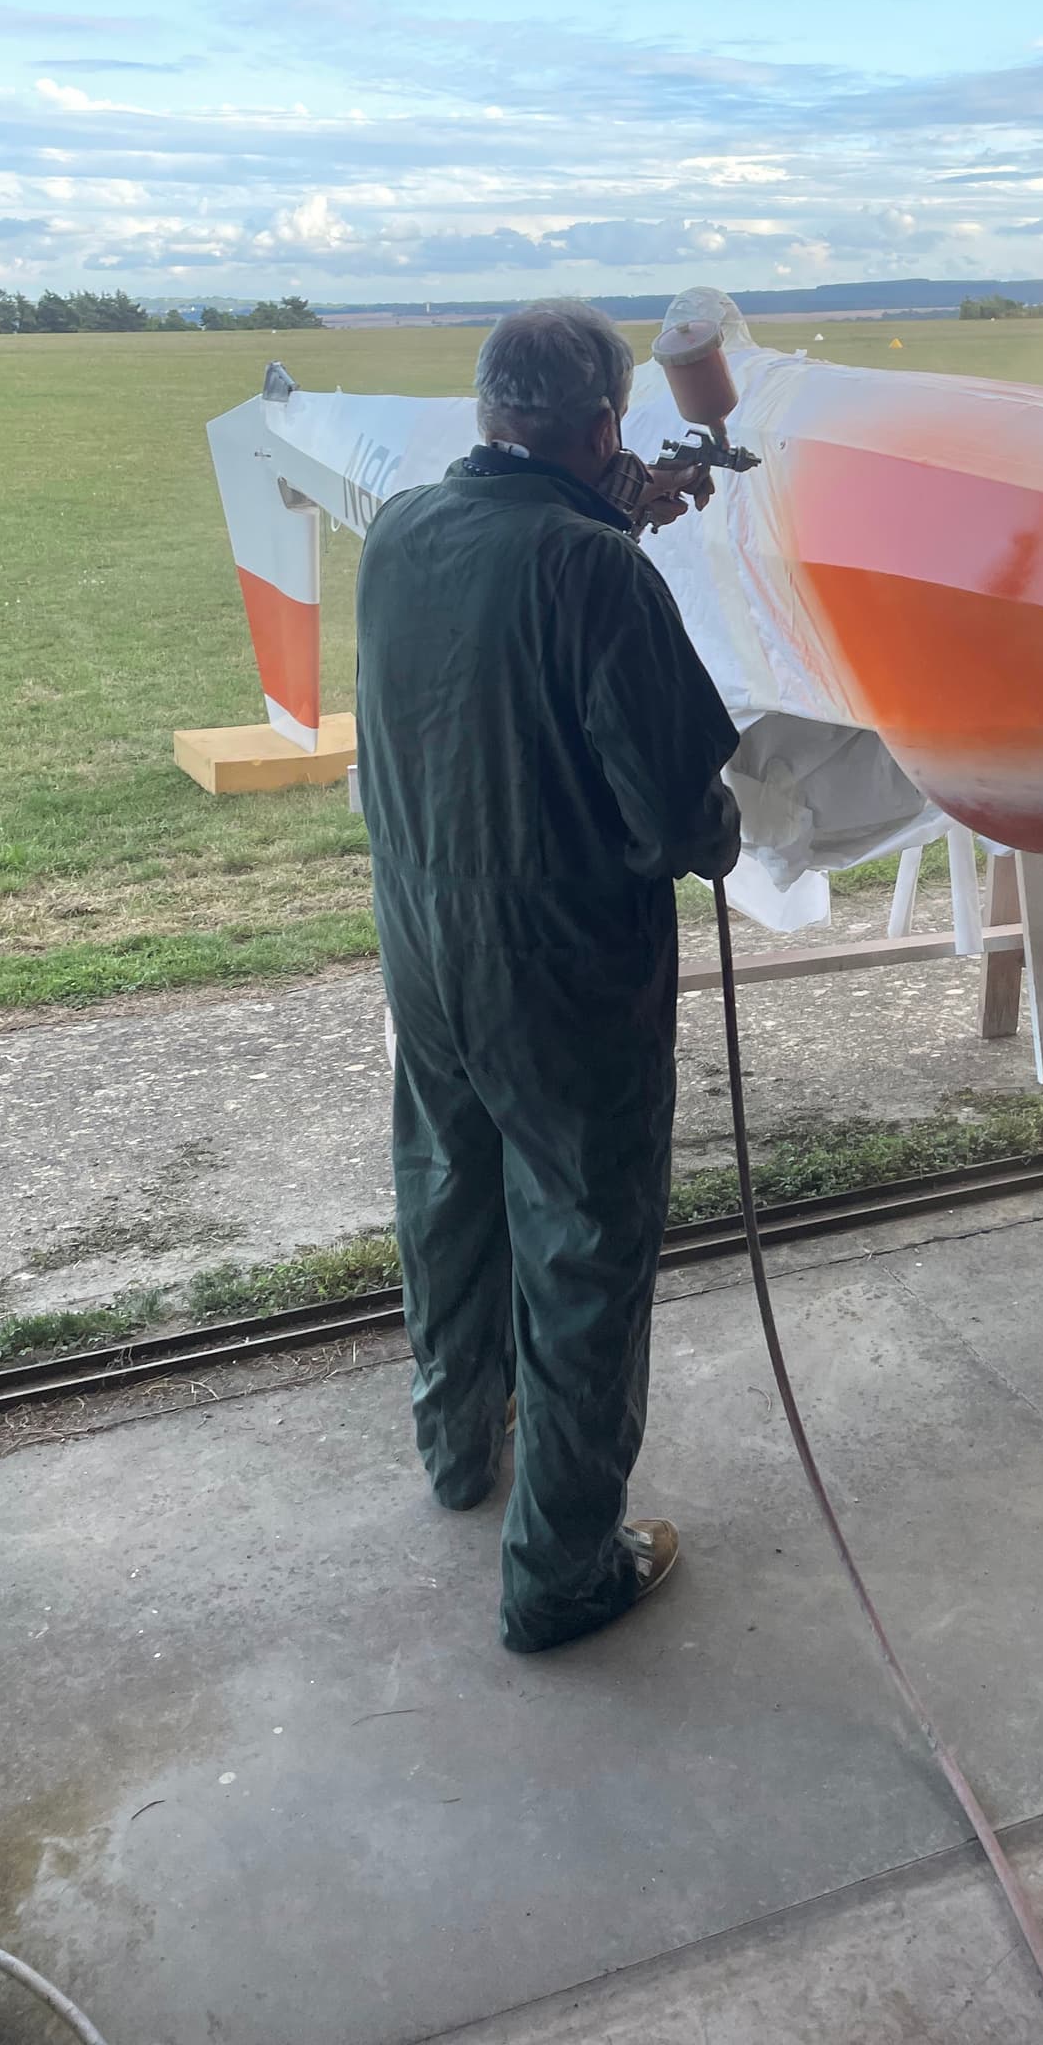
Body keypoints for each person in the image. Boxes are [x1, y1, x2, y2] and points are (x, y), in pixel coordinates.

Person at [355, 299, 741, 1653]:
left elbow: (507, 620)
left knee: (455, 1190)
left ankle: (460, 1449)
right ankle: (563, 1575)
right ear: (604, 427)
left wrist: (609, 511)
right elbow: (679, 813)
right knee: (582, 1249)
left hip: (429, 945)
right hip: (565, 974)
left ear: (483, 415)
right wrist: (612, 531)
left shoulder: (402, 532)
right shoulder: (598, 572)